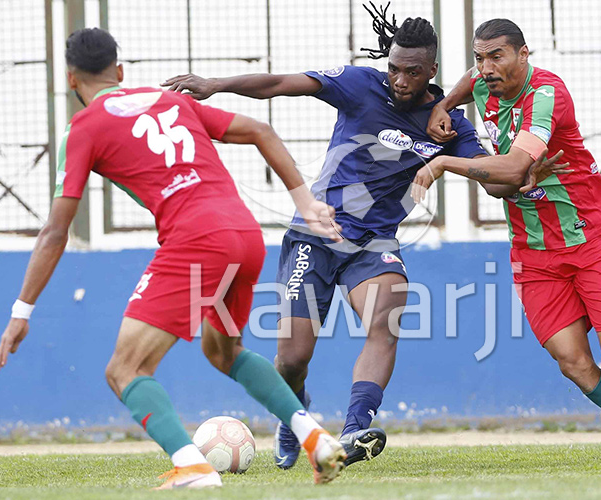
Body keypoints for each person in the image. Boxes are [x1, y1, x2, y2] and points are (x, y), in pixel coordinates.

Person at [163, 5, 564, 469]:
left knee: (386, 319)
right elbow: (280, 84)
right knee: (291, 361)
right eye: (393, 67)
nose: (398, 79)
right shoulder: (360, 84)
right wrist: (215, 85)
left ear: (431, 71)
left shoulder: (449, 127)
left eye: (411, 72)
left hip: (373, 246)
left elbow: (494, 184)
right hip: (315, 235)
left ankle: (355, 429)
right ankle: (294, 417)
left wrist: (523, 175)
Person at [0, 27, 349, 489]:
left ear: (70, 80)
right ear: (120, 72)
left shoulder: (83, 128)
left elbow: (56, 230)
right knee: (223, 351)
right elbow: (261, 129)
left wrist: (22, 311)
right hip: (243, 236)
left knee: (125, 370)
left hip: (196, 241)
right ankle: (315, 438)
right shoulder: (172, 102)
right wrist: (304, 203)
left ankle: (193, 465)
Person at [418, 18, 601, 463]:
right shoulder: (483, 83)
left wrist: (442, 165)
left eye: (498, 56)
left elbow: (512, 172)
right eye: (480, 57)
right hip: (532, 253)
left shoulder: (546, 94)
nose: (487, 68)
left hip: (586, 238)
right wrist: (445, 105)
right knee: (572, 362)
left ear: (524, 54)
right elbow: (471, 79)